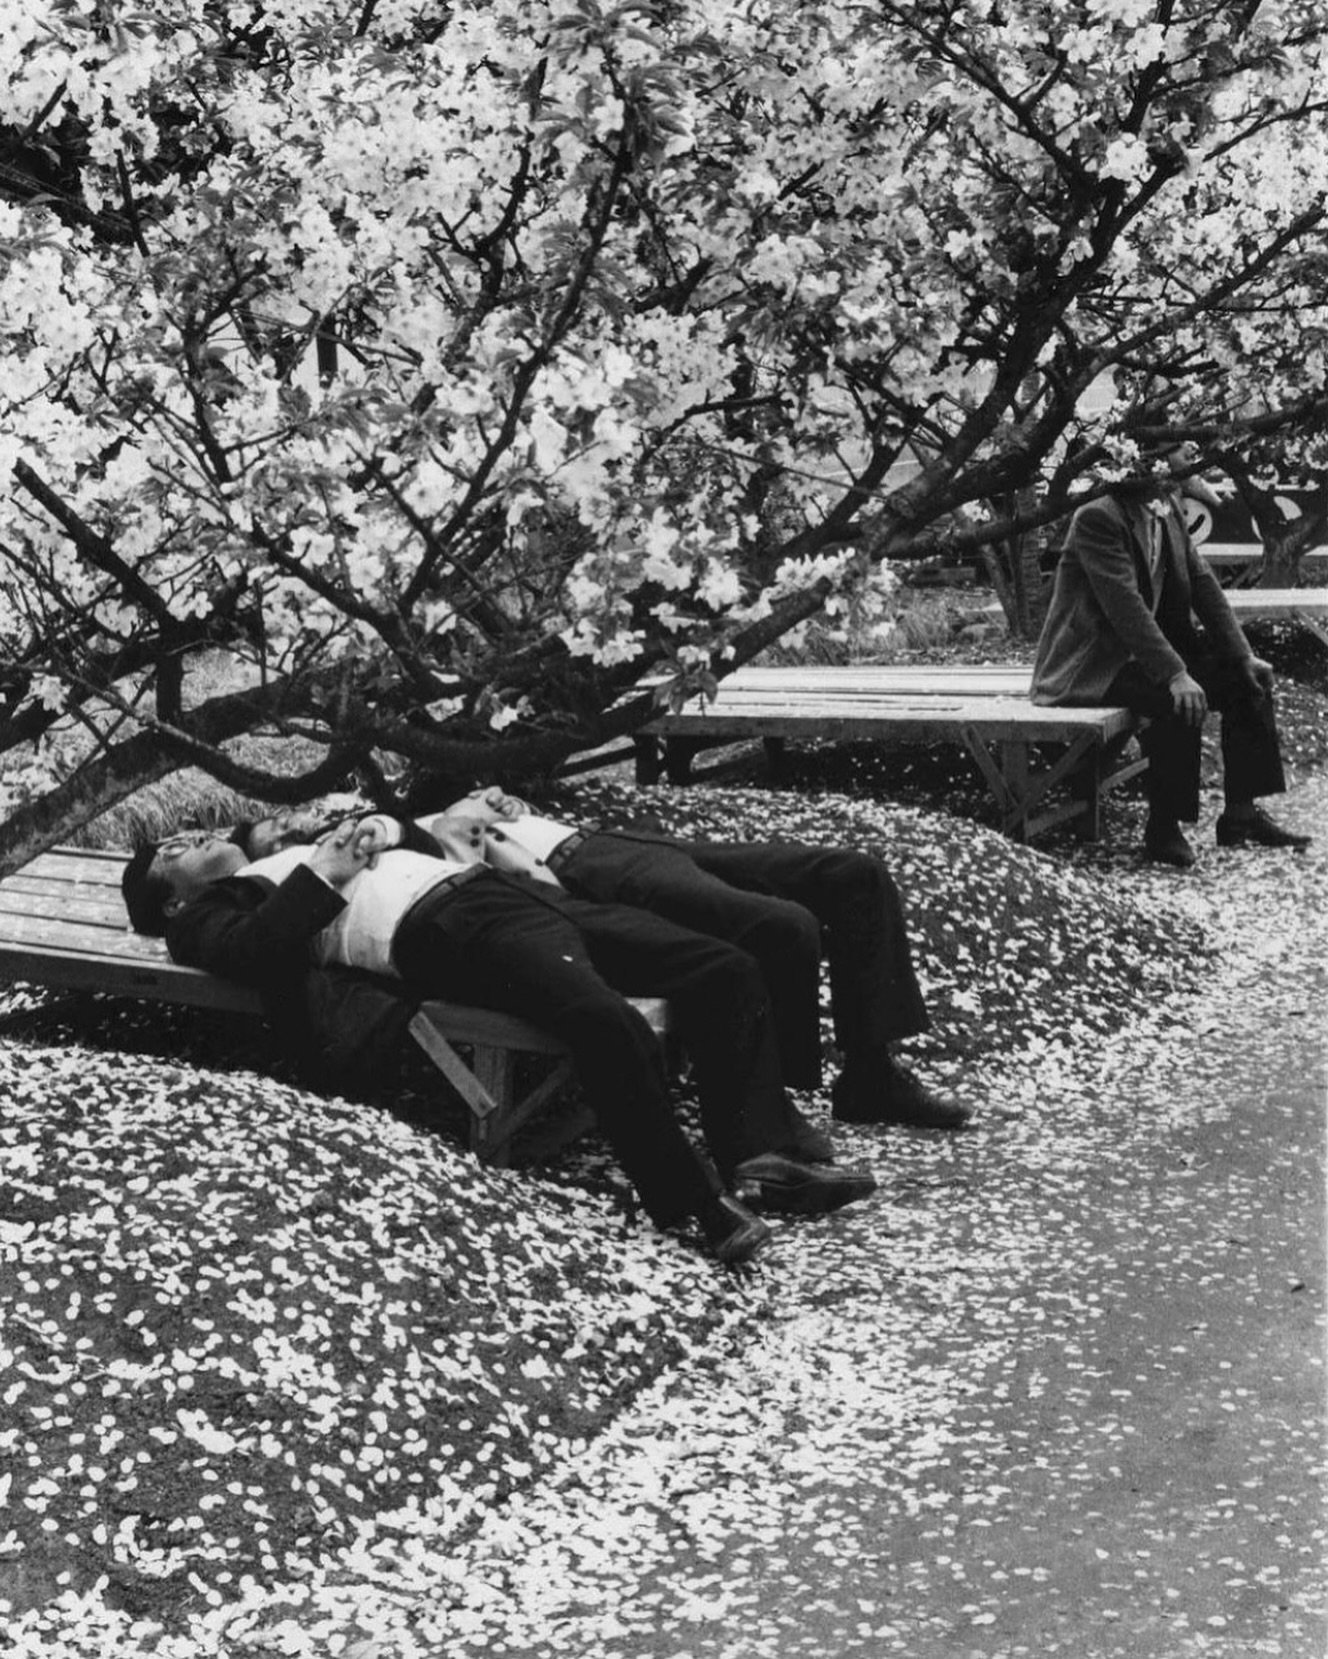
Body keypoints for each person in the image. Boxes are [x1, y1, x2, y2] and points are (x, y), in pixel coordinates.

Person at [122, 819, 877, 1267]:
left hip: (513, 898)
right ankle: (695, 1205)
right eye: (171, 851)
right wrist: (327, 867)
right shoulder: (208, 915)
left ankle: (759, 1155)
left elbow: (422, 841)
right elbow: (255, 951)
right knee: (602, 1016)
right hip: (450, 931)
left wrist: (389, 831)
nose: (194, 837)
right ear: (172, 898)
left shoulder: (279, 847)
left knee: (723, 967)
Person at [239, 796, 970, 1132]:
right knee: (783, 926)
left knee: (853, 872)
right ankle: (766, 1114)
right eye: (279, 823)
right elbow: (462, 889)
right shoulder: (316, 867)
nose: (304, 815)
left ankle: (871, 1069)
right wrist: (464, 836)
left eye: (300, 811)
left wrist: (455, 811)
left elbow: (422, 828)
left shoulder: (376, 821)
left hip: (602, 838)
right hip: (575, 874)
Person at [1031, 444, 1311, 867]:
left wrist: (1242, 655)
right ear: (1152, 458)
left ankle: (1241, 815)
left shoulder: (1167, 507)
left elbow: (1203, 585)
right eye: (1183, 450)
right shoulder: (1098, 518)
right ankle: (1164, 827)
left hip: (1146, 655)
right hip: (1094, 663)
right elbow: (1124, 607)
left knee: (1246, 680)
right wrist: (1176, 673)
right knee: (1176, 700)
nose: (1192, 456)